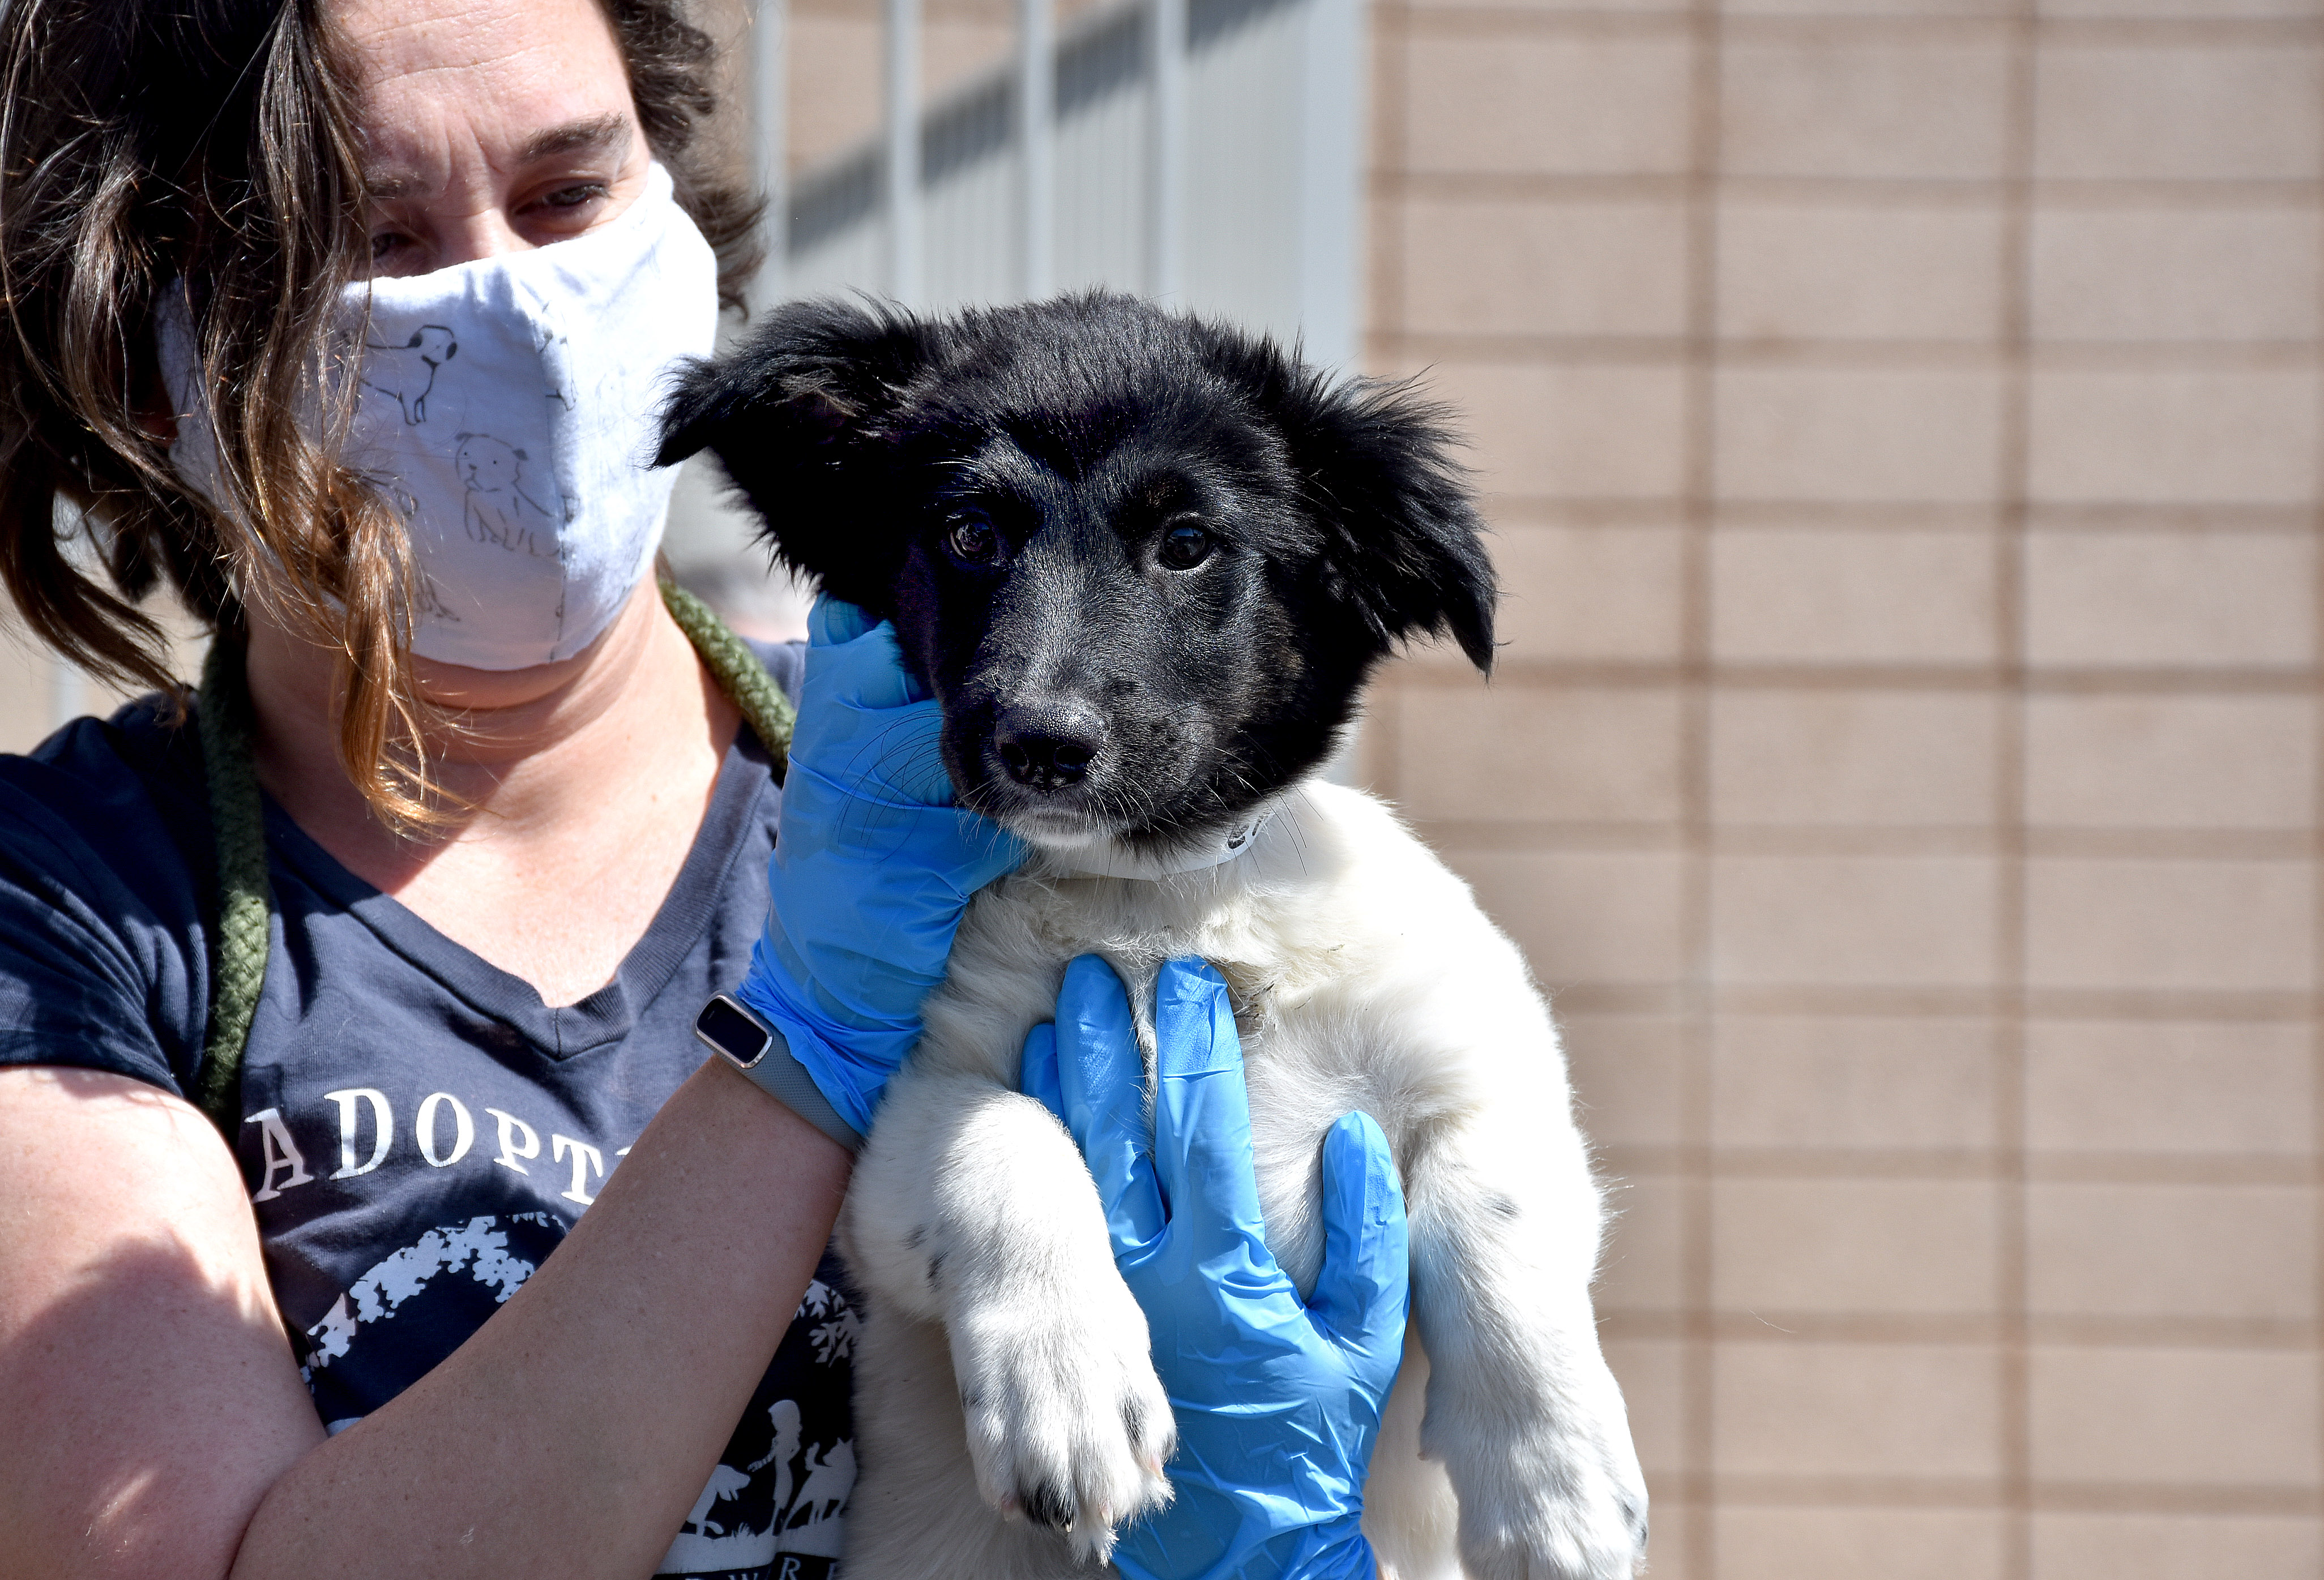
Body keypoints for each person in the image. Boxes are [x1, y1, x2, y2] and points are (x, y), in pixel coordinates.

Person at [0, 1, 1407, 1577]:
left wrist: (1266, 1538)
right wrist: (802, 1052)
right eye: (382, 244)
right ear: (144, 364)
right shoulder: (70, 910)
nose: (521, 311)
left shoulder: (991, 783)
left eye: (567, 195)